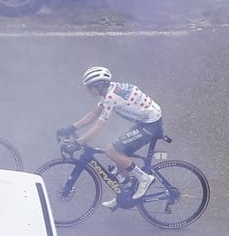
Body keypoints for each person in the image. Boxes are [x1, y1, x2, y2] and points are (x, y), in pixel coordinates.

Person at [62, 67, 162, 208]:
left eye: (89, 87)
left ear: (99, 85)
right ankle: (125, 195)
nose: (88, 90)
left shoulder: (111, 97)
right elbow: (94, 113)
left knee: (112, 150)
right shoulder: (110, 90)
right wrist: (72, 127)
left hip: (151, 124)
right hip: (145, 120)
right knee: (119, 155)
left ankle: (144, 179)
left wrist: (79, 142)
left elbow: (99, 125)